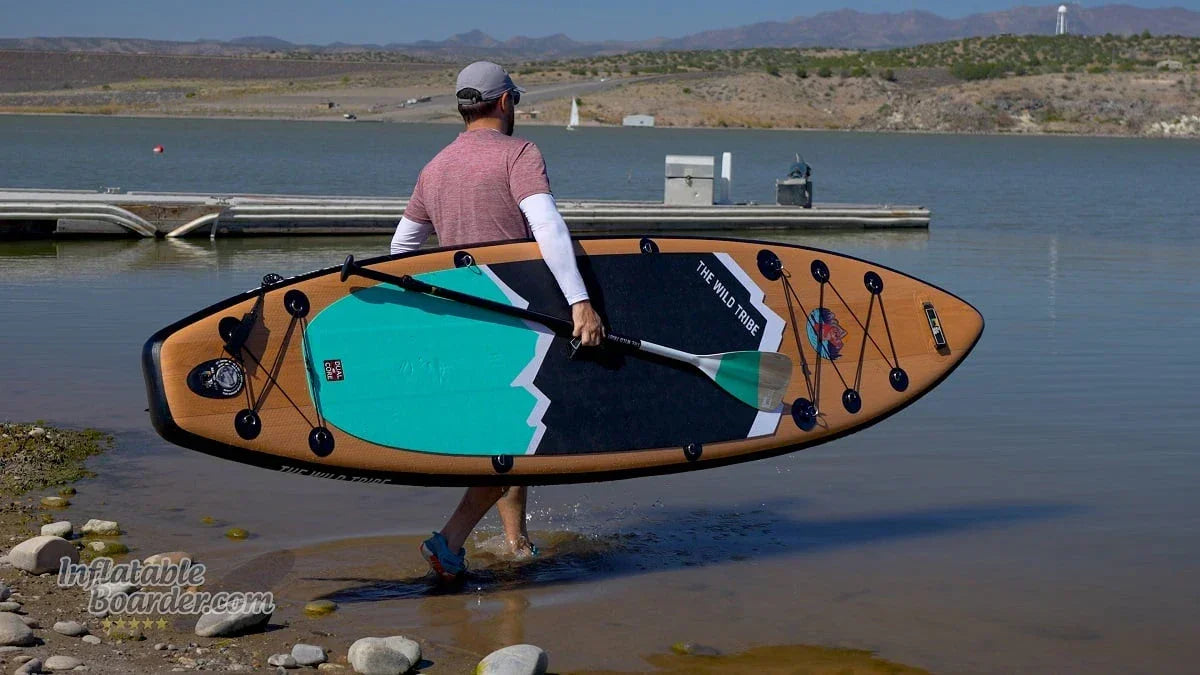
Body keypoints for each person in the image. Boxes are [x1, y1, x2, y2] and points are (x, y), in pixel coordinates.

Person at [389, 61, 604, 582]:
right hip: (512, 319)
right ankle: (449, 541)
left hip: (462, 320)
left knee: (509, 428)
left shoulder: (434, 167)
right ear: (505, 101)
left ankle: (516, 542)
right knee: (516, 442)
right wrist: (580, 300)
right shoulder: (520, 153)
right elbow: (548, 227)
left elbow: (401, 249)